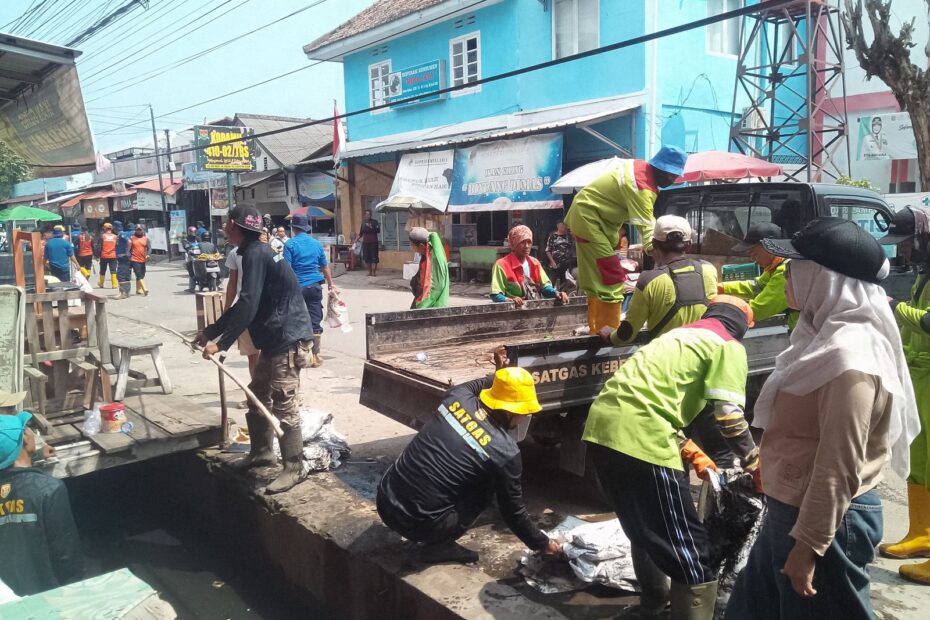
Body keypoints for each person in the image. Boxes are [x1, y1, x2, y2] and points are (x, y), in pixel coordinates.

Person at [726, 218, 920, 618]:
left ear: (823, 277)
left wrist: (809, 545)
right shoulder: (819, 339)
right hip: (792, 508)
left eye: (795, 266)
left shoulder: (850, 357)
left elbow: (840, 461)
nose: (786, 274)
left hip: (826, 521)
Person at [584, 297, 760, 619]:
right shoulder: (728, 345)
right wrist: (755, 464)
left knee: (645, 528)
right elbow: (729, 417)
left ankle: (652, 605)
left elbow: (645, 396)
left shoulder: (675, 337)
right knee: (691, 552)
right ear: (743, 326)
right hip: (643, 439)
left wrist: (690, 449)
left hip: (601, 430)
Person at [376, 367, 563, 564]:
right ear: (511, 411)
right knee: (488, 484)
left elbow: (480, 382)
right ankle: (438, 547)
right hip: (417, 526)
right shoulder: (506, 452)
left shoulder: (457, 396)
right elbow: (513, 512)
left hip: (384, 499)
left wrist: (499, 377)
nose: (526, 417)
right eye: (525, 411)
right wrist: (542, 543)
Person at [197, 205, 314, 494]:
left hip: (288, 337)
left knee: (284, 401)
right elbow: (244, 304)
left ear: (236, 227)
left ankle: (294, 467)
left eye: (226, 224)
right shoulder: (253, 253)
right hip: (274, 337)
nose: (224, 228)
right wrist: (210, 332)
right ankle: (262, 452)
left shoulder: (255, 254)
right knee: (257, 395)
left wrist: (221, 344)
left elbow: (247, 304)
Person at [565, 145, 688, 333]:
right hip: (589, 218)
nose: (672, 179)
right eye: (670, 174)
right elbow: (647, 228)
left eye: (675, 176)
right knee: (611, 277)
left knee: (596, 278)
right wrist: (662, 255)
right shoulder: (643, 187)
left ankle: (595, 330)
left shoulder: (639, 167)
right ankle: (608, 333)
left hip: (595, 218)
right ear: (659, 168)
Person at [877, 205, 930, 584]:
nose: (902, 252)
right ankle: (922, 533)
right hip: (920, 374)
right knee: (920, 456)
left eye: (906, 243)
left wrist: (897, 309)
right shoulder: (923, 272)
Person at [0, 393, 83, 596]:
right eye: (26, 429)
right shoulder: (49, 489)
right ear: (25, 441)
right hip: (46, 592)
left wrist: (33, 454)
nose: (29, 431)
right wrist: (77, 590)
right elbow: (66, 553)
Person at [599, 215, 716, 345]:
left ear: (654, 244)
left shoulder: (648, 280)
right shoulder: (708, 270)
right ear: (688, 245)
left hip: (666, 361)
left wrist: (610, 336)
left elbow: (627, 333)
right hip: (702, 356)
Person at [720, 222, 798, 330]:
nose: (753, 259)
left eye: (754, 253)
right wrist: (721, 288)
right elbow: (757, 286)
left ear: (769, 247)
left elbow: (759, 309)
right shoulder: (776, 266)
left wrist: (719, 314)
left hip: (809, 334)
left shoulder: (785, 272)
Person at [283, 213, 336, 368]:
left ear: (293, 228)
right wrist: (331, 284)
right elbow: (324, 266)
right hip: (314, 286)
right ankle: (315, 356)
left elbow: (287, 269)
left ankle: (300, 355)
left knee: (296, 320)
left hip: (297, 287)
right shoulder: (316, 244)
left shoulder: (290, 244)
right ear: (306, 228)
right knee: (314, 320)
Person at [490, 225, 569, 306]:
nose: (526, 246)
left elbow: (545, 287)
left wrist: (557, 293)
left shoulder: (535, 263)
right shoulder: (501, 265)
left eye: (529, 242)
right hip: (512, 313)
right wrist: (509, 300)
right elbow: (495, 294)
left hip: (533, 310)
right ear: (514, 244)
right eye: (522, 242)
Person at [224, 243, 260, 408]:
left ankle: (273, 394)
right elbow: (232, 283)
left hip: (268, 311)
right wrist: (226, 311)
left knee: (272, 356)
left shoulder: (270, 252)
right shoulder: (234, 253)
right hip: (245, 310)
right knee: (253, 355)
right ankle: (256, 396)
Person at [408, 227, 450, 309]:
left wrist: (423, 305)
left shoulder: (434, 259)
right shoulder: (426, 253)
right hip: (423, 297)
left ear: (421, 246)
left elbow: (436, 288)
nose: (411, 248)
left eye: (412, 245)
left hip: (431, 304)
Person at [545, 220, 575, 289]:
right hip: (555, 264)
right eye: (563, 225)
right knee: (551, 283)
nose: (565, 226)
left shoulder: (568, 236)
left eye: (565, 225)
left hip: (566, 265)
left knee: (564, 284)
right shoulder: (553, 236)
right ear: (558, 226)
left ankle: (563, 297)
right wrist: (552, 261)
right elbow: (547, 250)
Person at [95, 222, 118, 289]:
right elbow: (117, 246)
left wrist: (97, 255)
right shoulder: (115, 236)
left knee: (102, 270)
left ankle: (101, 284)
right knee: (113, 270)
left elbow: (99, 247)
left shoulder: (102, 236)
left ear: (104, 228)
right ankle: (114, 285)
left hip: (104, 255)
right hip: (113, 255)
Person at [113, 222, 133, 300]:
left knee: (120, 275)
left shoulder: (121, 234)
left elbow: (129, 242)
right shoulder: (121, 234)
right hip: (125, 258)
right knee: (126, 276)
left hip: (123, 258)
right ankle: (127, 293)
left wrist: (126, 252)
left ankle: (123, 293)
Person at [129, 224, 150, 296]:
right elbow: (128, 249)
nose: (138, 231)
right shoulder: (131, 238)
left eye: (140, 229)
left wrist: (148, 254)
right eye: (137, 229)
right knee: (138, 274)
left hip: (143, 259)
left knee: (142, 274)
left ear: (142, 230)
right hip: (134, 259)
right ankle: (145, 289)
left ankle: (138, 290)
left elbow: (149, 248)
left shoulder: (146, 239)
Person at [359, 209, 381, 276]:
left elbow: (378, 230)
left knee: (374, 257)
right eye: (366, 214)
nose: (367, 215)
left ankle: (374, 272)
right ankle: (369, 272)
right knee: (367, 258)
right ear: (364, 215)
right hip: (365, 242)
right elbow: (361, 233)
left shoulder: (375, 222)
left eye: (369, 214)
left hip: (373, 242)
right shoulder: (363, 223)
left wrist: (371, 227)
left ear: (371, 215)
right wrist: (356, 240)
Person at [181, 226, 200, 293]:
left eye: (194, 232)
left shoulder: (197, 238)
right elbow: (187, 248)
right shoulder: (185, 240)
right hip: (190, 257)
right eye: (192, 232)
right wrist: (191, 251)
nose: (193, 234)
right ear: (189, 232)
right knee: (191, 272)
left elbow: (202, 245)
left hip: (200, 256)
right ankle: (192, 288)